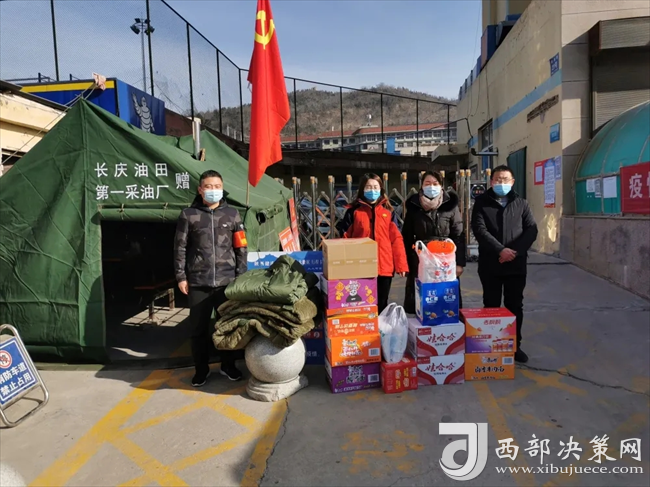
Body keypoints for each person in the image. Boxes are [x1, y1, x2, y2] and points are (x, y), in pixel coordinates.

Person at [174, 170, 247, 386]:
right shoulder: (189, 215)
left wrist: (240, 276)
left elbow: (241, 247)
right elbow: (180, 247)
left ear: (222, 188)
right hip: (198, 282)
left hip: (227, 282)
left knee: (227, 326)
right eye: (208, 186)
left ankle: (228, 365)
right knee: (198, 330)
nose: (213, 190)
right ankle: (201, 370)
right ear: (200, 189)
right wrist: (181, 276)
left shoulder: (232, 214)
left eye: (217, 186)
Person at [471, 165, 538, 363]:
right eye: (498, 179)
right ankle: (491, 345)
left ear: (512, 182)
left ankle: (514, 346)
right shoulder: (481, 203)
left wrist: (514, 252)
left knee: (515, 305)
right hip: (490, 264)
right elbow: (479, 230)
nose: (502, 183)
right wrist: (500, 250)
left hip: (515, 265)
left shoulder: (521, 203)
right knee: (491, 305)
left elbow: (531, 230)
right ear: (491, 182)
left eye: (505, 179)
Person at [337, 173, 408, 313]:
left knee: (381, 304)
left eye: (375, 187)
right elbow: (344, 239)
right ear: (362, 189)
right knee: (361, 304)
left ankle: (380, 327)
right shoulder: (353, 212)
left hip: (384, 267)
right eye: (368, 187)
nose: (372, 190)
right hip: (360, 268)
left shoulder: (388, 212)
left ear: (381, 189)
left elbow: (396, 240)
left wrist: (401, 265)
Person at [401, 171, 466, 314]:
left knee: (446, 299)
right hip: (421, 259)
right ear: (422, 186)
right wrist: (406, 263)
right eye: (427, 183)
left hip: (446, 260)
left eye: (435, 184)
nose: (431, 187)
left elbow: (459, 235)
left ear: (441, 186)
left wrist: (460, 263)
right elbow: (406, 236)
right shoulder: (414, 205)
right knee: (421, 299)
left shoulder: (450, 205)